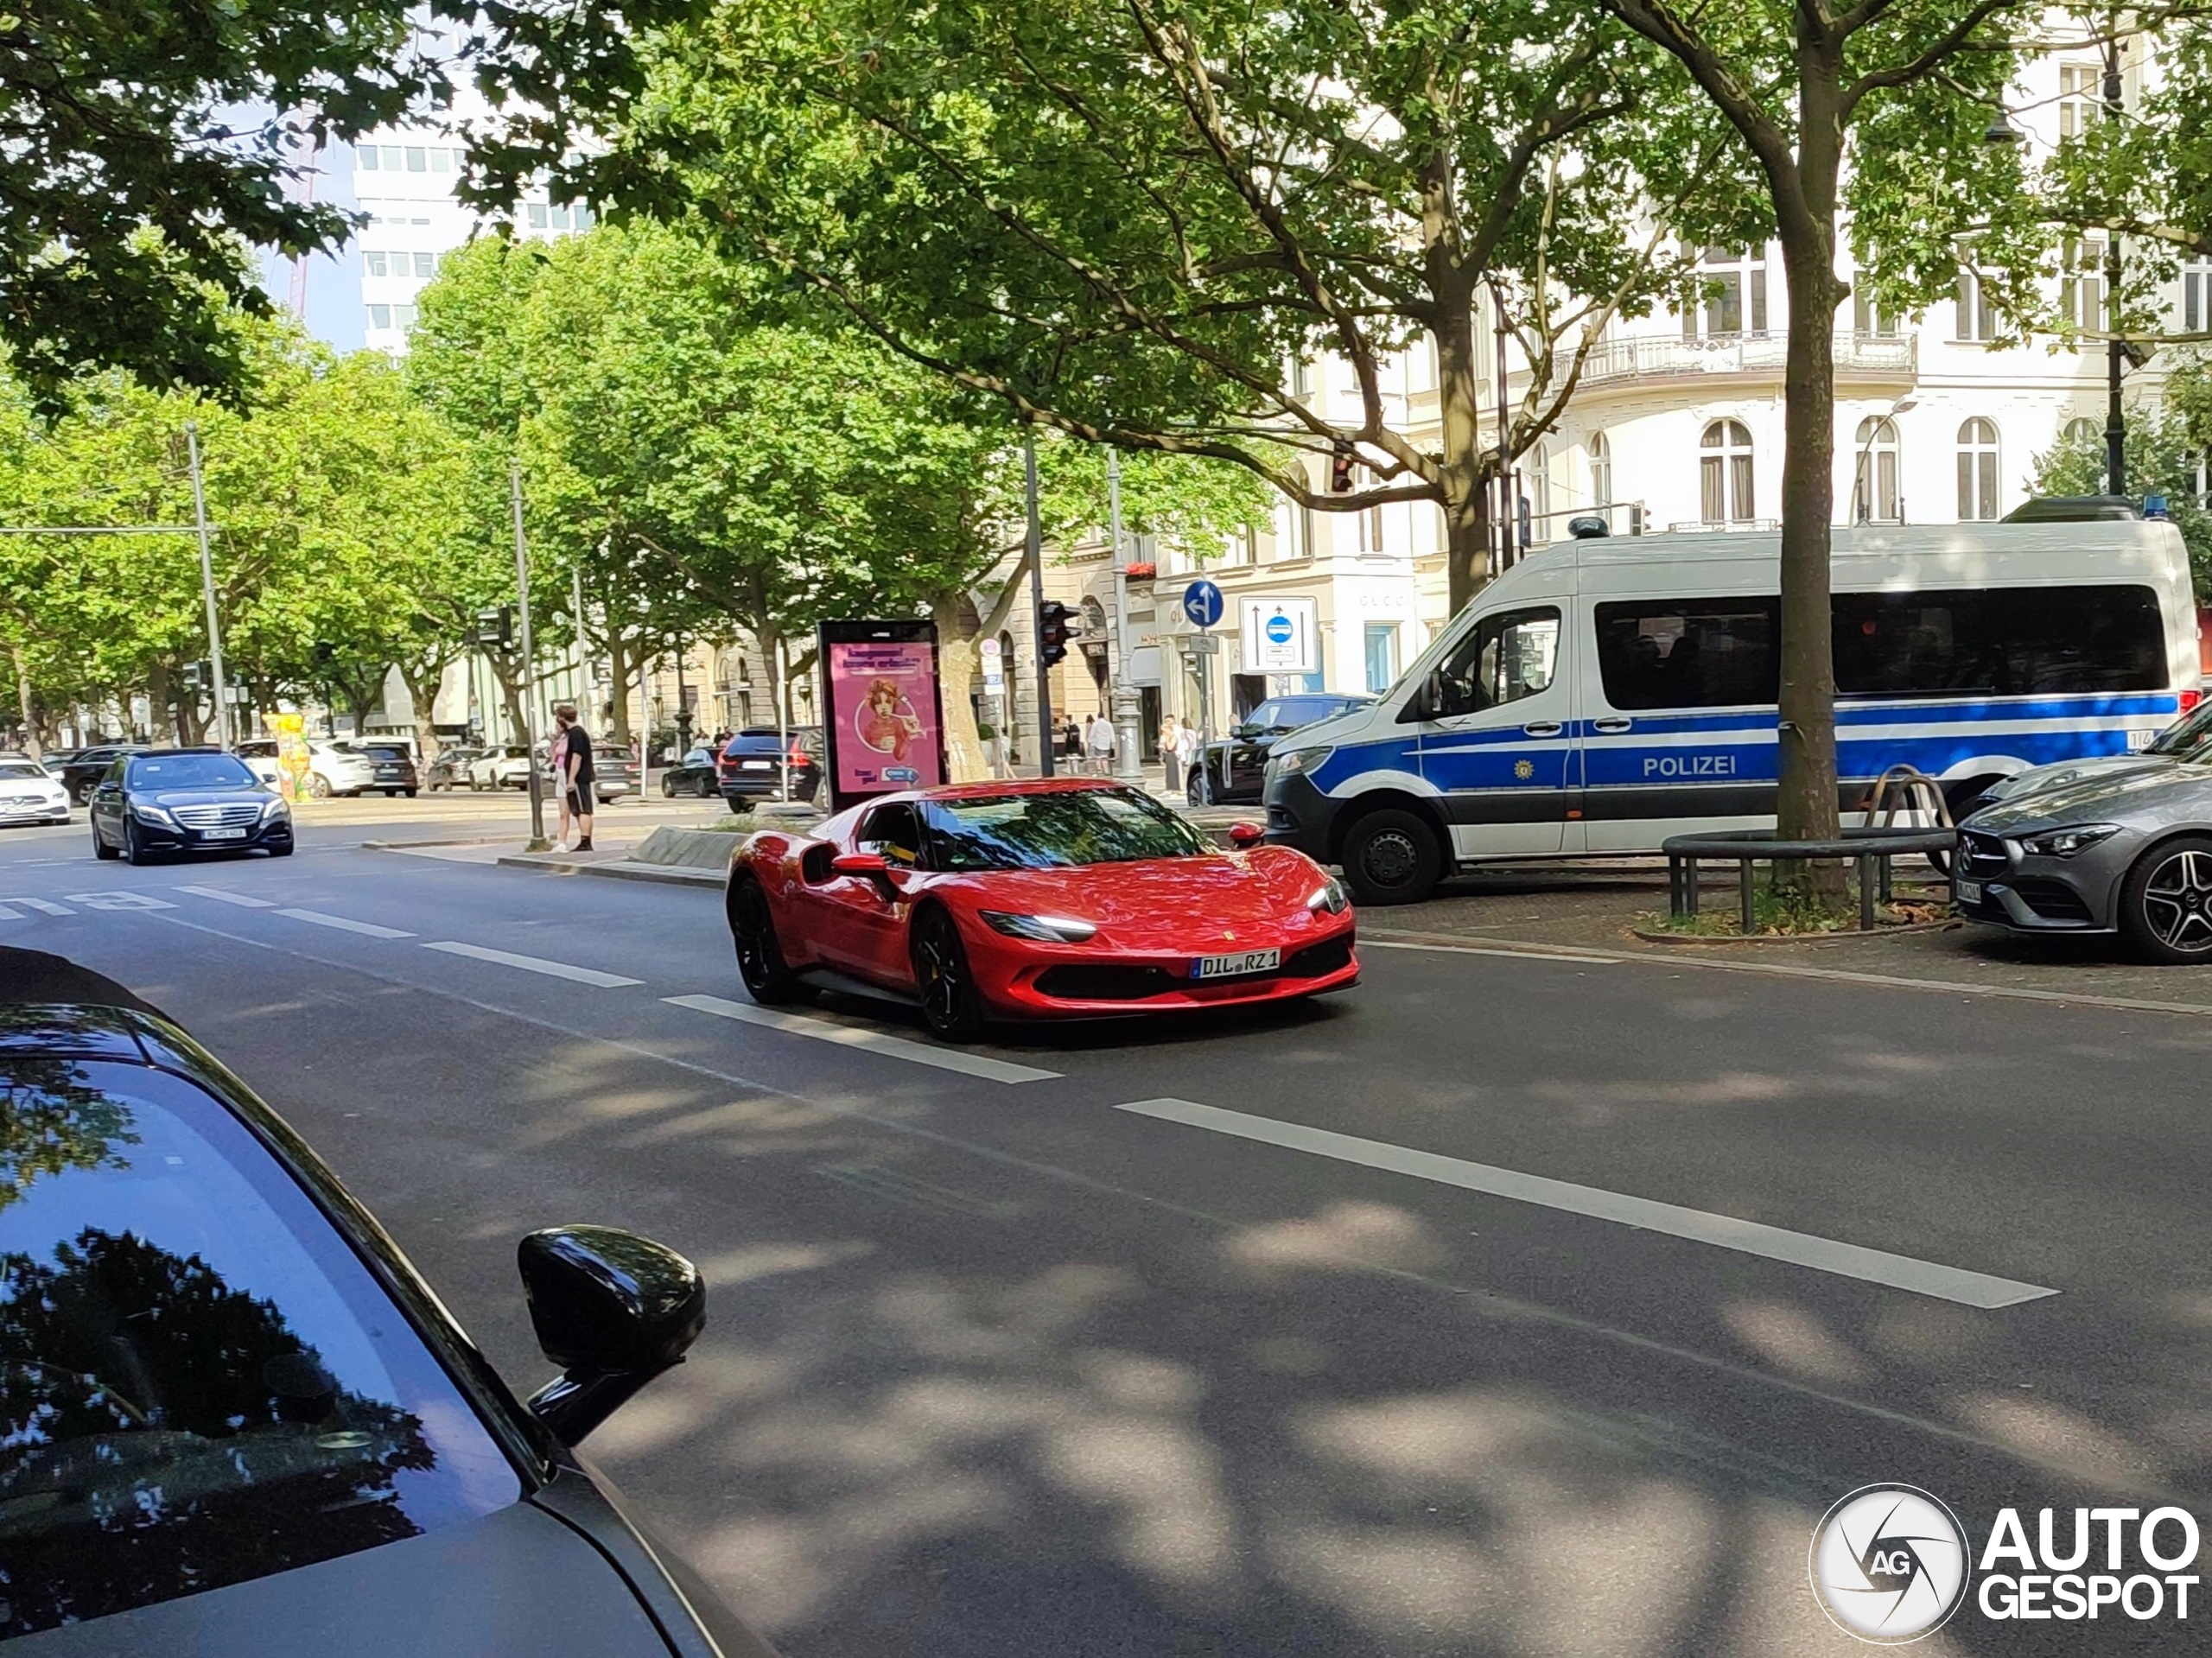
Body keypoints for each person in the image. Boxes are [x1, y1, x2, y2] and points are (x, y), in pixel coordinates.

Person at [551, 704, 594, 854]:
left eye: (558, 717)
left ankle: (585, 841)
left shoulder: (577, 733)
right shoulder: (571, 734)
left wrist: (571, 779)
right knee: (576, 809)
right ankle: (579, 841)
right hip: (567, 774)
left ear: (562, 718)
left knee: (583, 808)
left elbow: (577, 757)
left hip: (578, 777)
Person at [1174, 718, 1198, 794]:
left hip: (1186, 750)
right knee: (1189, 768)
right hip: (1193, 750)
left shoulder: (1183, 731)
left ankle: (1184, 785)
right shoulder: (1193, 732)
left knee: (1184, 769)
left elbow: (1184, 741)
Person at [1087, 710, 1116, 775]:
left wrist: (1089, 740)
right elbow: (1112, 733)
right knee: (1105, 756)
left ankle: (1099, 769)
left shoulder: (1095, 724)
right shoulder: (1108, 724)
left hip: (1098, 742)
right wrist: (1113, 741)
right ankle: (1106, 770)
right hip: (1106, 743)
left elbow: (1092, 734)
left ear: (1098, 716)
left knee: (1098, 756)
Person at [1159, 716, 1182, 791]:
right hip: (1168, 754)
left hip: (1172, 754)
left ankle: (1174, 787)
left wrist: (1167, 740)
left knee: (1173, 772)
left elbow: (1170, 747)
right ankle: (1170, 787)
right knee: (1169, 772)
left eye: (1164, 731)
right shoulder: (1167, 737)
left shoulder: (1173, 737)